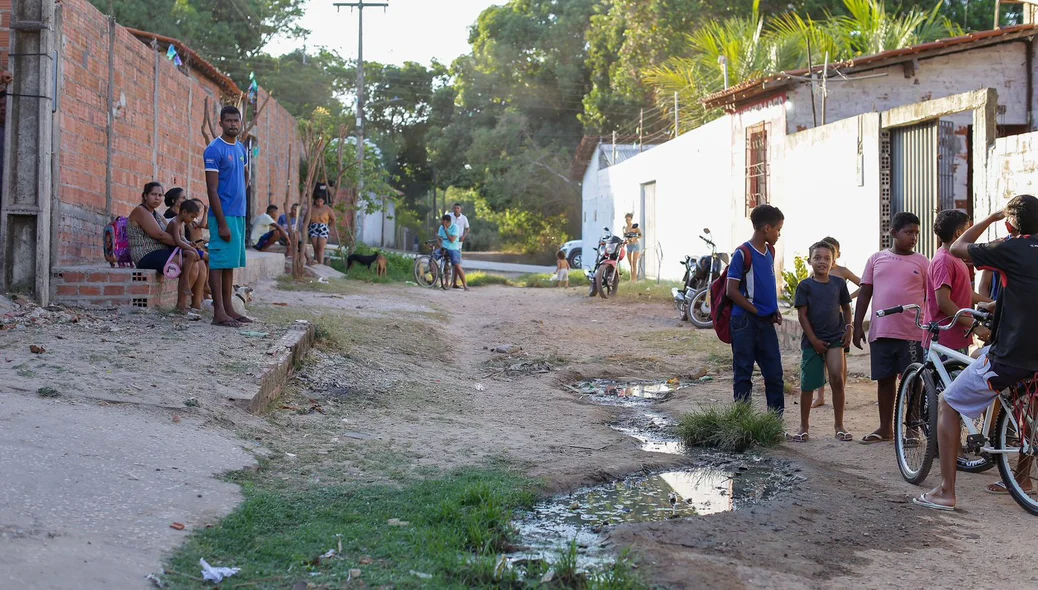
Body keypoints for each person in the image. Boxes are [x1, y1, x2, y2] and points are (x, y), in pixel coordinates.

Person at [914, 195, 1038, 511]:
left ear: (1011, 224)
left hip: (1011, 354)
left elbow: (957, 247)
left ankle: (945, 491)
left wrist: (991, 219)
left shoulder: (1011, 246)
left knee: (948, 402)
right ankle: (1022, 479)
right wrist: (995, 304)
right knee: (1030, 414)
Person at [853, 212, 928, 444]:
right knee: (884, 381)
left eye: (916, 233)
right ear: (894, 233)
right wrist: (856, 326)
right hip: (882, 331)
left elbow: (931, 297)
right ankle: (885, 428)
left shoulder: (923, 262)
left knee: (913, 382)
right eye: (908, 232)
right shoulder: (876, 259)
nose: (913, 237)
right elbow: (865, 292)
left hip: (912, 333)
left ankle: (912, 430)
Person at [726, 204, 785, 414]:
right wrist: (756, 310)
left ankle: (774, 424)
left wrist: (773, 309)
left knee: (774, 374)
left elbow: (767, 284)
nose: (779, 234)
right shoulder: (742, 253)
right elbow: (731, 291)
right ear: (766, 228)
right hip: (745, 322)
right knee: (743, 373)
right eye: (778, 229)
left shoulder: (770, 250)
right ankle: (742, 421)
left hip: (766, 321)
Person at [792, 241, 853, 442]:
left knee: (837, 379)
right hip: (812, 342)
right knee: (808, 384)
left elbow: (846, 308)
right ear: (810, 260)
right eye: (817, 257)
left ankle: (839, 425)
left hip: (835, 339)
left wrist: (849, 328)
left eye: (827, 258)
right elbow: (802, 315)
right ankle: (804, 426)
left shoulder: (838, 284)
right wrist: (814, 340)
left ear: (833, 261)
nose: (822, 262)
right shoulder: (805, 286)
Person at [204, 105, 251, 327]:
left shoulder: (241, 149)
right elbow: (212, 189)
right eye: (229, 121)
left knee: (229, 263)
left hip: (238, 214)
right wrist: (222, 223)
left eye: (236, 121)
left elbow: (245, 174)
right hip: (222, 216)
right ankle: (218, 312)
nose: (233, 124)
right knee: (218, 262)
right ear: (220, 122)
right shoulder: (214, 150)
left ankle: (229, 308)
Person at [127, 182, 201, 316]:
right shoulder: (140, 211)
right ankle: (181, 305)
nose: (157, 198)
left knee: (197, 261)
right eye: (153, 194)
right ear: (145, 196)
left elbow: (175, 234)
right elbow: (160, 235)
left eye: (160, 195)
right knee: (187, 260)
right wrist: (182, 244)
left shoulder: (156, 214)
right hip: (145, 254)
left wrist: (189, 243)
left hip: (160, 252)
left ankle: (188, 304)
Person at [925, 210, 992, 355]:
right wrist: (975, 326)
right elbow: (943, 302)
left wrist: (993, 304)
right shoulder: (944, 261)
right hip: (944, 340)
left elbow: (964, 292)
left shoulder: (954, 258)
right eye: (969, 230)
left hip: (957, 337)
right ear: (958, 234)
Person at [811, 236, 861, 408]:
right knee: (821, 357)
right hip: (821, 321)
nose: (826, 258)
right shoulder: (816, 272)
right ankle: (820, 395)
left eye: (831, 253)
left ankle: (840, 391)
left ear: (837, 254)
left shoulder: (842, 271)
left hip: (839, 320)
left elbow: (863, 284)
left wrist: (848, 299)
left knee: (841, 358)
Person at [165, 199, 205, 311]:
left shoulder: (180, 223)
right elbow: (177, 241)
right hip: (172, 250)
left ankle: (188, 282)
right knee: (192, 255)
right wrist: (192, 248)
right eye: (192, 217)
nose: (192, 220)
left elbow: (182, 238)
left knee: (193, 254)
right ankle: (186, 280)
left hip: (178, 248)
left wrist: (189, 243)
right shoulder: (174, 223)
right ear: (184, 212)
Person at [435, 214, 468, 291]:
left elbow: (452, 240)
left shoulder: (455, 227)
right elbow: (439, 238)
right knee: (432, 258)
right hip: (444, 247)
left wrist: (446, 230)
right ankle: (434, 281)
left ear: (447, 222)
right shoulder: (441, 227)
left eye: (443, 222)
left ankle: (465, 285)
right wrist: (440, 244)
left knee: (457, 265)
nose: (442, 224)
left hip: (453, 248)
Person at [308, 196, 336, 266]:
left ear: (323, 201)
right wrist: (308, 227)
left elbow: (333, 219)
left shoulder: (327, 208)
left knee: (320, 247)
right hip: (313, 227)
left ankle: (320, 263)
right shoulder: (312, 208)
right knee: (315, 247)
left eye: (321, 201)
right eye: (318, 201)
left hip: (323, 227)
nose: (319, 203)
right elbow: (306, 219)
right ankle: (316, 262)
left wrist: (328, 227)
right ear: (315, 201)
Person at [448, 203, 470, 288]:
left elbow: (468, 228)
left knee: (456, 263)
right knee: (447, 262)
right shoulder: (449, 216)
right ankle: (447, 282)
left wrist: (464, 236)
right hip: (449, 241)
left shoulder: (464, 218)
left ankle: (455, 283)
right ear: (453, 209)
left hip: (458, 243)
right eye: (455, 208)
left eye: (458, 208)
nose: (456, 209)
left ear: (460, 209)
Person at [624, 213, 643, 281]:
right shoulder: (625, 228)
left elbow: (641, 235)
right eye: (626, 219)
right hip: (629, 246)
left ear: (631, 219)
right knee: (630, 264)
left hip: (635, 245)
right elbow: (625, 237)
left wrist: (634, 238)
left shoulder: (635, 227)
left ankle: (634, 280)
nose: (627, 221)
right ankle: (631, 279)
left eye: (629, 219)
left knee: (634, 263)